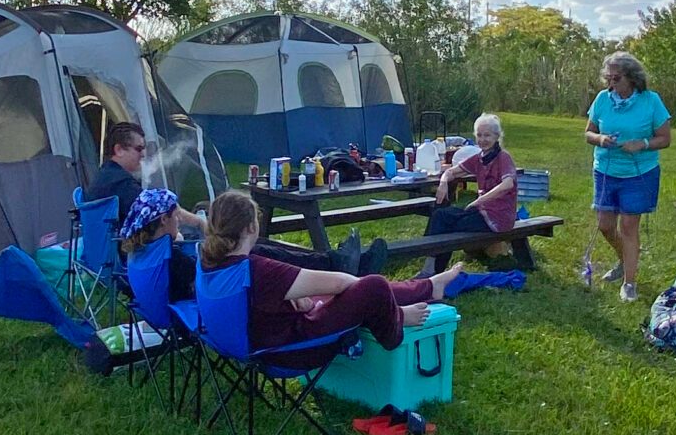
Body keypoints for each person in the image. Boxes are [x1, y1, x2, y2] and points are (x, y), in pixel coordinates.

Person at [87, 122, 372, 273]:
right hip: (154, 261)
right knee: (249, 248)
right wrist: (197, 226)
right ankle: (333, 263)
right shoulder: (120, 184)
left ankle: (333, 261)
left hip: (139, 258)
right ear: (118, 150)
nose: (144, 154)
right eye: (138, 149)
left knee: (250, 244)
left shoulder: (103, 179)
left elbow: (160, 210)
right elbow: (163, 208)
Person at [199, 191, 458, 358]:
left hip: (245, 342)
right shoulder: (256, 269)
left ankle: (429, 286)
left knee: (335, 291)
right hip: (288, 350)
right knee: (373, 286)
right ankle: (398, 320)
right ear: (252, 226)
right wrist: (379, 301)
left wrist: (295, 299)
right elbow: (340, 281)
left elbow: (255, 302)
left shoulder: (208, 261)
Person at [585, 50, 671, 303]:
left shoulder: (651, 101)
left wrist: (642, 143)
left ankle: (629, 283)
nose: (611, 84)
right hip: (605, 171)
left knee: (629, 227)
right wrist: (600, 139)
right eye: (608, 78)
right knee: (605, 225)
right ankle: (625, 260)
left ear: (632, 78)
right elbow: (588, 133)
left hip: (638, 173)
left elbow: (665, 138)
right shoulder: (602, 99)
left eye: (617, 78)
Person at [417, 113, 518, 274]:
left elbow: (507, 184)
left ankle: (432, 270)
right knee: (440, 215)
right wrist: (443, 182)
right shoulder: (479, 158)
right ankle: (432, 267)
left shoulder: (503, 157)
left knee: (445, 223)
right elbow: (451, 172)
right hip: (481, 212)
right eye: (479, 135)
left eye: (487, 135)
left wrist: (479, 200)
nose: (482, 140)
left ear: (496, 137)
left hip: (497, 219)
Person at [118, 187, 193, 300]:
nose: (179, 220)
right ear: (163, 219)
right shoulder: (173, 259)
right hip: (179, 314)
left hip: (152, 313)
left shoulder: (134, 252)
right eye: (176, 215)